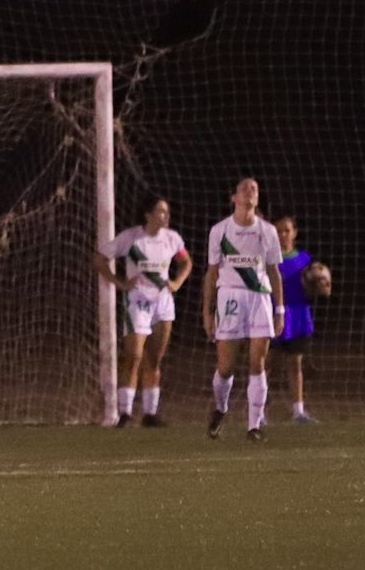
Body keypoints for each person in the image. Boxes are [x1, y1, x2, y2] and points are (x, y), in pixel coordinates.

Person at [94, 197, 193, 426]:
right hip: (138, 301)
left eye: (167, 212)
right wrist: (120, 283)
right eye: (160, 211)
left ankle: (150, 413)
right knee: (134, 356)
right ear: (148, 215)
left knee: (154, 359)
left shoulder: (172, 239)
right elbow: (99, 259)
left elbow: (186, 262)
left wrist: (177, 283)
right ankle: (125, 413)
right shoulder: (131, 238)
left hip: (163, 303)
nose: (165, 216)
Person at [201, 177, 284, 442]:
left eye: (255, 189)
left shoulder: (268, 231)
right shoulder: (220, 231)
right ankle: (220, 408)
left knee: (257, 362)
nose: (250, 192)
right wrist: (207, 311)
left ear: (257, 199)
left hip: (259, 297)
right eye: (244, 189)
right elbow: (212, 273)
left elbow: (274, 271)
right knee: (225, 366)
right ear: (233, 197)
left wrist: (279, 309)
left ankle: (254, 426)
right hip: (230, 299)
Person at [271, 216, 332, 425]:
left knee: (295, 365)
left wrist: (323, 286)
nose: (283, 235)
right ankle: (259, 413)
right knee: (265, 366)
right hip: (274, 315)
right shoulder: (269, 258)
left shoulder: (306, 260)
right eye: (279, 231)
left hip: (298, 317)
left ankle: (298, 412)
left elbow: (320, 288)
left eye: (287, 231)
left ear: (295, 233)